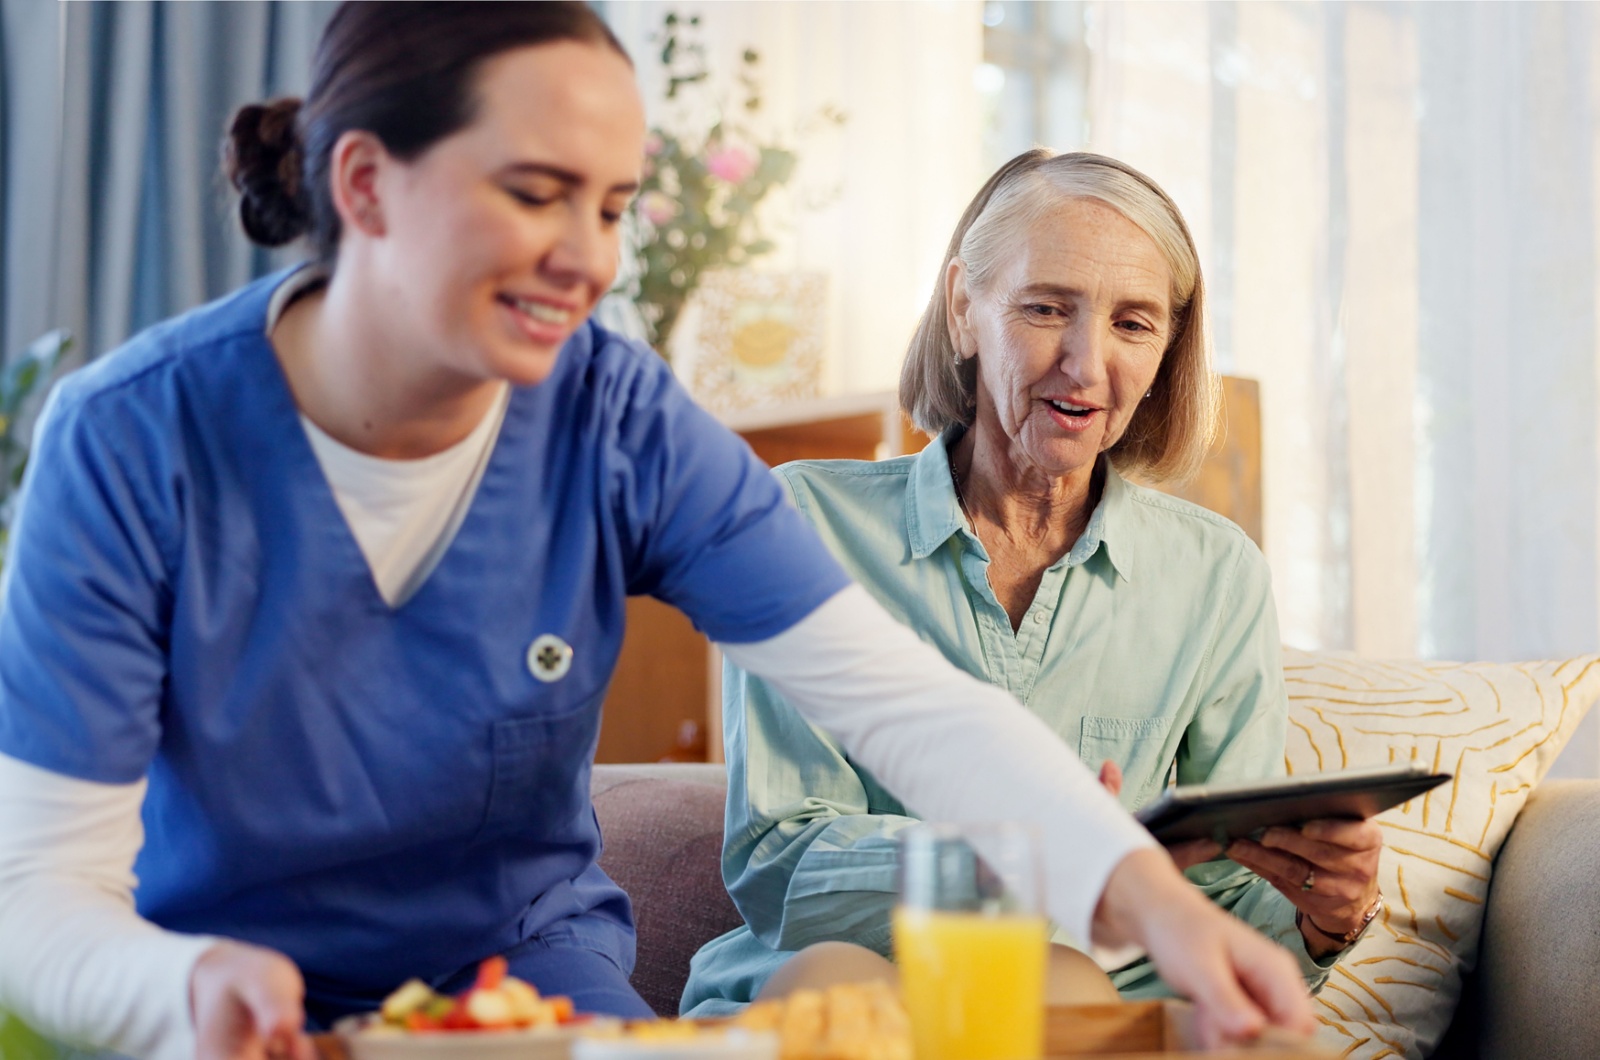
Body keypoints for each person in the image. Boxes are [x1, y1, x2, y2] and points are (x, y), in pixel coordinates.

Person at [0, 10, 1314, 1060]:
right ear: (367, 184)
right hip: (222, 1006)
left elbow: (905, 703)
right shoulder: (129, 443)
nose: (589, 258)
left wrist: (1148, 904)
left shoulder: (615, 419)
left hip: (534, 1006)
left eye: (615, 206)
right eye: (537, 192)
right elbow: (40, 890)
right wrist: (182, 992)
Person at [682, 150, 1385, 1017]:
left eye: (1134, 323)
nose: (1085, 365)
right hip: (834, 986)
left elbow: (1225, 902)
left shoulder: (1214, 575)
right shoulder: (806, 521)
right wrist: (1031, 856)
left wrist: (1324, 922)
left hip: (1077, 1005)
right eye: (1047, 308)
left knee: (1066, 987)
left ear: (1168, 348)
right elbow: (781, 859)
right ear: (963, 310)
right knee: (842, 988)